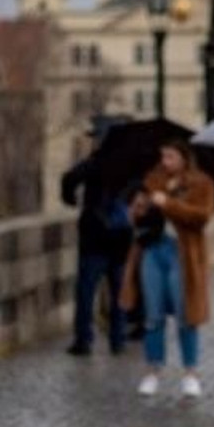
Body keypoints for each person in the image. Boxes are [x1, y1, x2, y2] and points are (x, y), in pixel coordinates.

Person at [120, 139, 214, 397]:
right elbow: (136, 219)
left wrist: (169, 204)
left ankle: (190, 372)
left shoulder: (202, 183)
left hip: (182, 254)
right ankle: (153, 369)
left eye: (171, 157)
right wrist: (140, 207)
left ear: (184, 158)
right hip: (153, 250)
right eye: (163, 156)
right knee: (152, 314)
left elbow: (202, 217)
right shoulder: (152, 180)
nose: (166, 162)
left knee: (186, 315)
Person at [61, 121, 132, 356]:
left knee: (86, 291)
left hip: (95, 237)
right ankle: (118, 339)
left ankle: (84, 339)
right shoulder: (127, 165)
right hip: (121, 238)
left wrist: (71, 200)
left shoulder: (94, 163)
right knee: (119, 291)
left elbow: (69, 179)